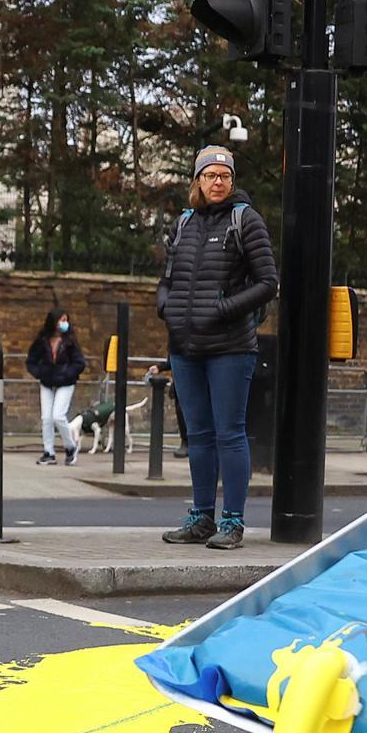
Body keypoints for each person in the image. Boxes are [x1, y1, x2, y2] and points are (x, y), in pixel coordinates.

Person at [156, 146, 278, 549]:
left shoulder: (246, 221)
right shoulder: (184, 223)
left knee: (230, 433)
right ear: (198, 180)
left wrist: (224, 308)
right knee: (199, 435)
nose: (218, 182)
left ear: (232, 180)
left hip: (230, 347)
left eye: (224, 176)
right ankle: (201, 517)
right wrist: (165, 307)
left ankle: (233, 522)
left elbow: (267, 283)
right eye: (210, 175)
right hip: (186, 346)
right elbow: (168, 278)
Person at [25, 307, 86, 465]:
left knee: (58, 416)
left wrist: (67, 374)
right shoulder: (42, 340)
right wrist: (39, 373)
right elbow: (31, 360)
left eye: (66, 320)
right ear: (54, 322)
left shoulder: (70, 342)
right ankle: (49, 452)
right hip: (47, 381)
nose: (65, 324)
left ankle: (70, 446)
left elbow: (79, 363)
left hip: (65, 382)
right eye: (62, 320)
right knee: (46, 418)